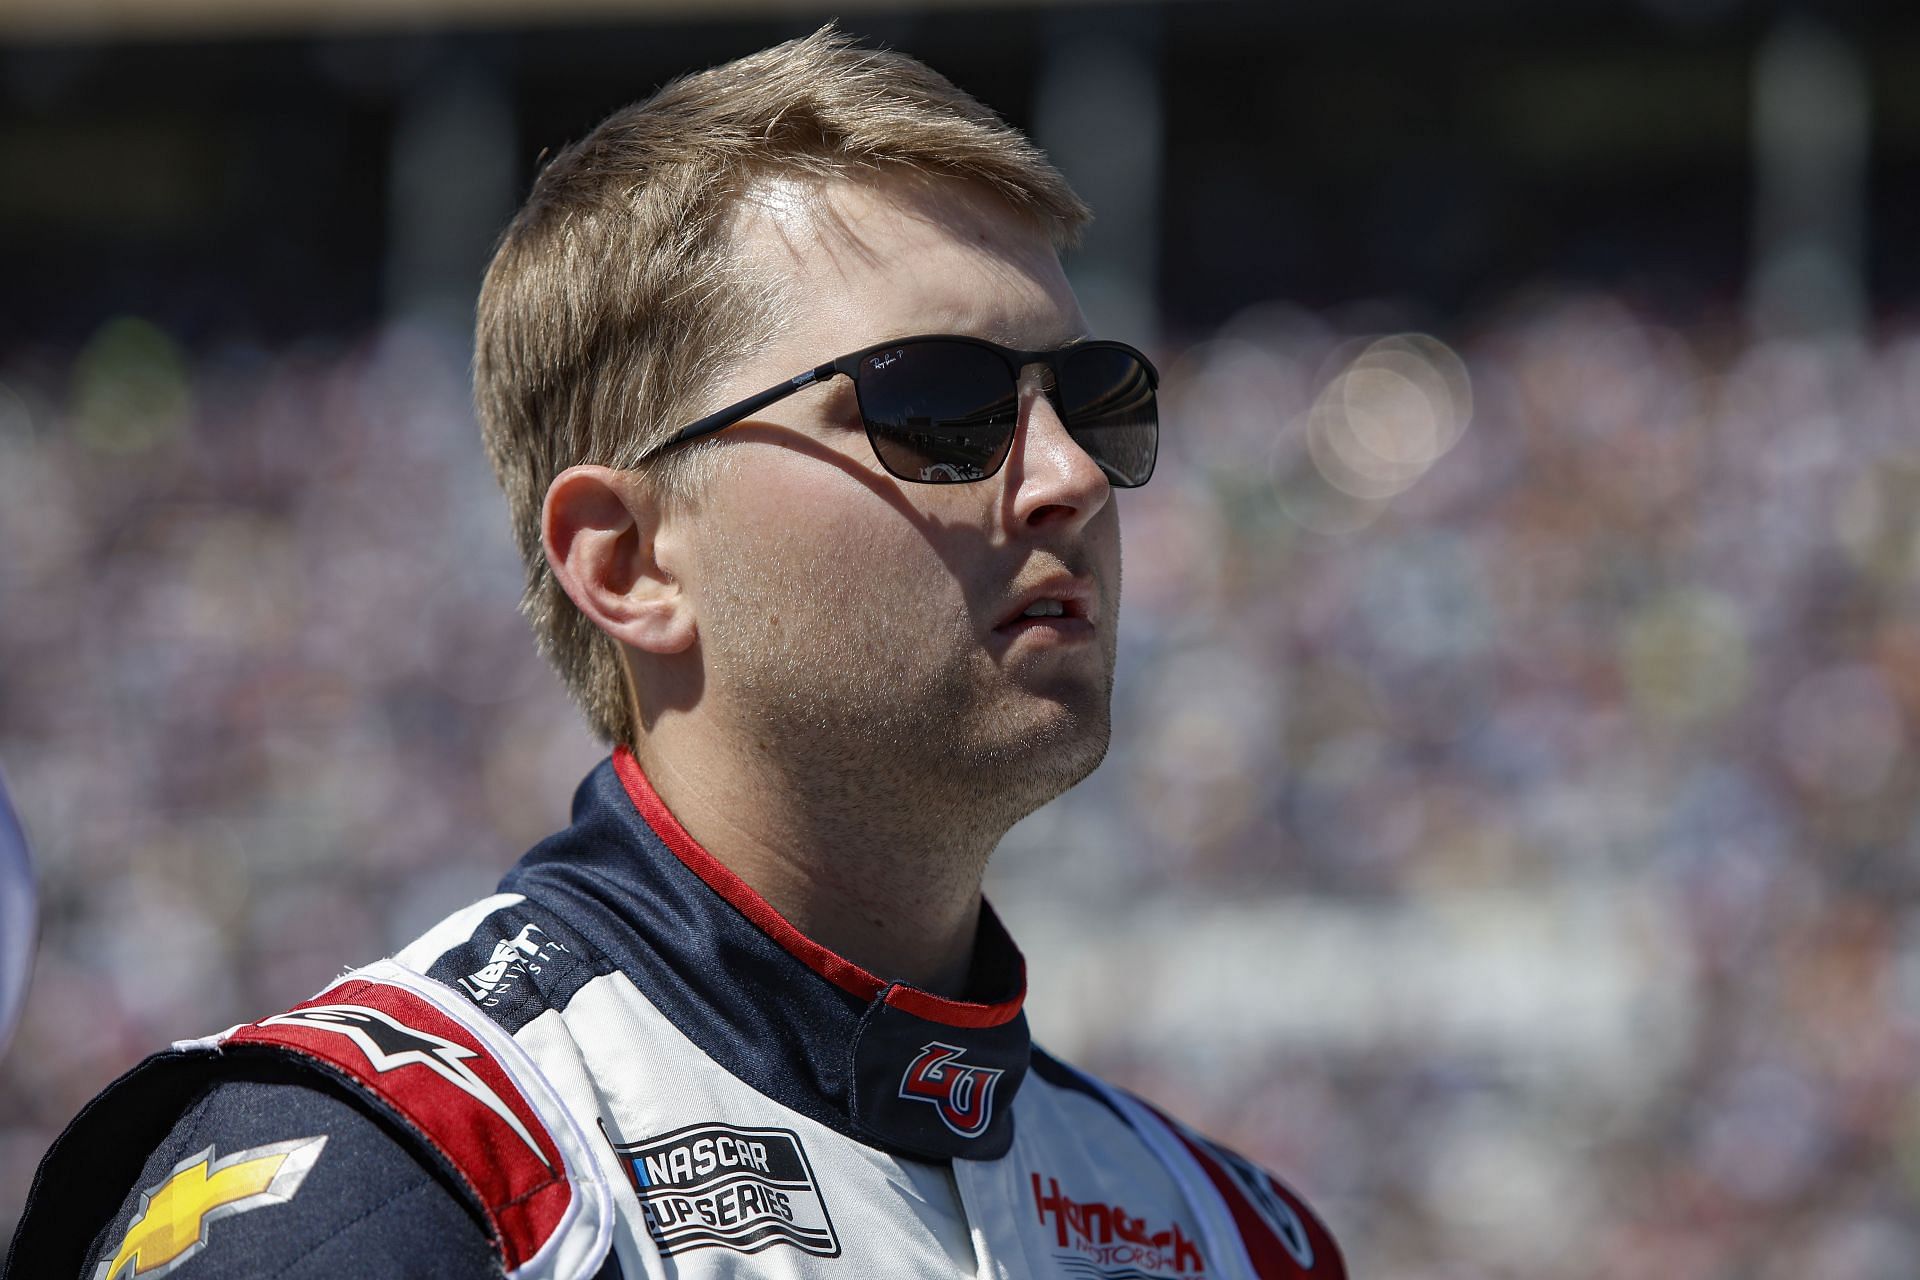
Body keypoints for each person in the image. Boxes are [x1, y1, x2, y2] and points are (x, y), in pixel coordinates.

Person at [7, 28, 1345, 1280]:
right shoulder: (407, 1165)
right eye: (940, 407)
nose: (1069, 481)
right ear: (629, 561)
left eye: (1098, 403)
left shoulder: (1232, 1235)